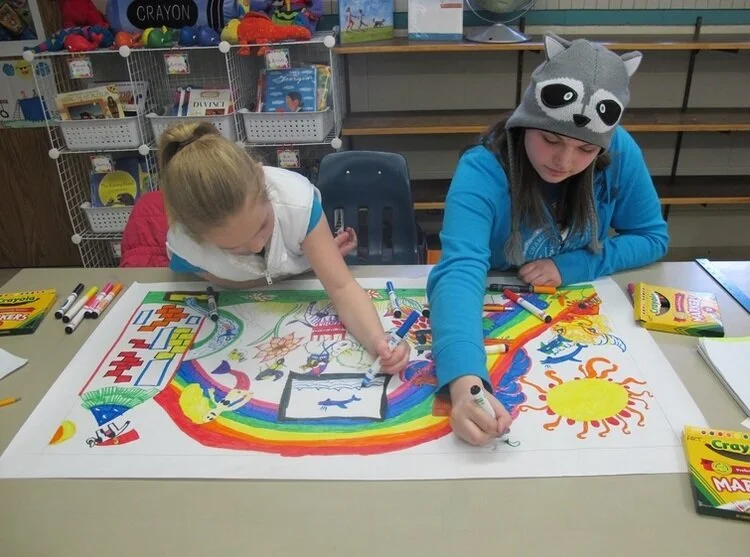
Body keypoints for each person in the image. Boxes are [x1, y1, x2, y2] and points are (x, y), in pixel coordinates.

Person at [426, 34, 669, 446]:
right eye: (551, 140)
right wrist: (466, 383)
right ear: (525, 122)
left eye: (585, 150)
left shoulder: (619, 151)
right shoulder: (483, 168)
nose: (564, 161)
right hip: (499, 307)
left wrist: (574, 265)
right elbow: (459, 271)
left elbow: (652, 237)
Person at [160, 122, 408, 374]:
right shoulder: (187, 244)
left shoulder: (296, 202)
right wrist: (304, 267)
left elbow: (342, 287)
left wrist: (377, 340)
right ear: (195, 235)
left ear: (262, 178)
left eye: (262, 225)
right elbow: (211, 282)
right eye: (233, 246)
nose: (257, 244)